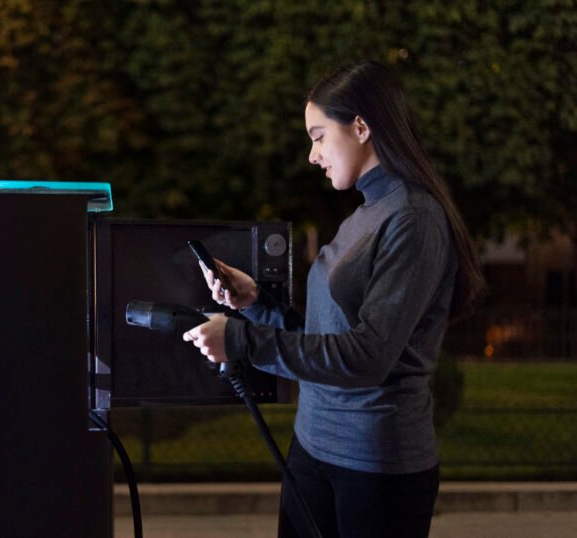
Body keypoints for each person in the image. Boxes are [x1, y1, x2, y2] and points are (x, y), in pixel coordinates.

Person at [183, 60, 486, 538]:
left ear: (361, 127)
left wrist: (243, 340)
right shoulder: (366, 214)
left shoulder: (413, 219)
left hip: (374, 468)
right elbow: (326, 340)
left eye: (319, 136)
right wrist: (256, 304)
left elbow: (367, 357)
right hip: (313, 448)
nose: (312, 155)